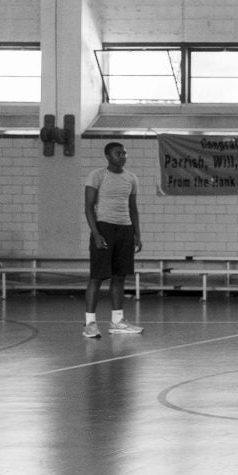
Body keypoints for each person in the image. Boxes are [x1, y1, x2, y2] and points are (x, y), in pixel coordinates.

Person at [83, 141, 143, 338]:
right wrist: (96, 234)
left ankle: (117, 321)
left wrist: (137, 233)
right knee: (97, 277)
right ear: (108, 156)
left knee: (120, 276)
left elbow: (133, 208)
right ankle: (90, 323)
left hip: (125, 229)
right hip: (104, 227)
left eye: (125, 152)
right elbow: (89, 207)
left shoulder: (131, 178)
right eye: (118, 153)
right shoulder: (97, 175)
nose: (123, 156)